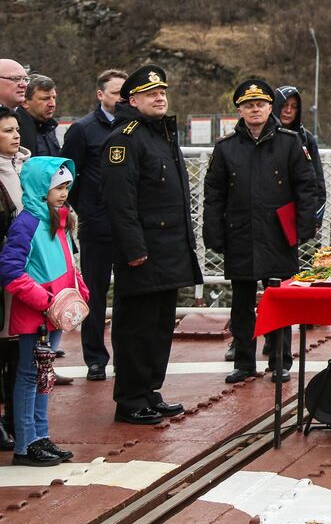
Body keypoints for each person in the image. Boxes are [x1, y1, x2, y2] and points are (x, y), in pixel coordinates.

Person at [102, 65, 202, 425]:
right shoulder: (125, 139)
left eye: (162, 92)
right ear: (132, 100)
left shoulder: (160, 135)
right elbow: (120, 201)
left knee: (160, 325)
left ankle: (149, 390)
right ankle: (130, 399)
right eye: (150, 94)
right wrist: (134, 250)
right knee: (136, 328)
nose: (160, 98)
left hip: (169, 249)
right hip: (143, 252)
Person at [203, 79, 321, 384]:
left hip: (277, 233)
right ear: (240, 110)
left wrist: (304, 226)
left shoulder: (290, 142)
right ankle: (244, 361)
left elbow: (307, 187)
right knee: (241, 303)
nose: (255, 110)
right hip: (240, 233)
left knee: (279, 299)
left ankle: (280, 360)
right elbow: (214, 194)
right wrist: (213, 232)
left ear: (271, 108)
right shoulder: (226, 149)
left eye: (260, 104)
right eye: (248, 105)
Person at [0, 157, 86, 466]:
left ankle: (40, 435)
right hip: (39, 312)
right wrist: (45, 301)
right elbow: (10, 271)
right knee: (28, 375)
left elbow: (65, 263)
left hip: (54, 311)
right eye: (58, 187)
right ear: (41, 188)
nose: (64, 193)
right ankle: (26, 443)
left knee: (42, 376)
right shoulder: (27, 222)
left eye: (66, 187)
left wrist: (79, 289)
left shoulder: (57, 218)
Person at [60, 69, 127, 381]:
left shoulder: (134, 128)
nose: (121, 98)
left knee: (130, 294)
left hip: (129, 227)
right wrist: (87, 209)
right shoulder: (82, 130)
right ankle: (95, 359)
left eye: (125, 92)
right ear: (101, 95)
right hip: (96, 224)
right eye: (115, 92)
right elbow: (69, 176)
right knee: (95, 293)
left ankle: (127, 355)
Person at [0, 106, 29, 451]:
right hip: (6, 265)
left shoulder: (26, 165)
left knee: (17, 350)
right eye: (7, 130)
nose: (16, 135)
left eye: (16, 129)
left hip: (25, 269)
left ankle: (14, 418)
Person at [273, 86, 326, 220]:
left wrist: (315, 218)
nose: (288, 110)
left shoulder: (306, 138)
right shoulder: (264, 137)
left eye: (294, 106)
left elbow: (317, 181)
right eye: (284, 105)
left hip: (295, 215)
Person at [18, 76, 59, 158]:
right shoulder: (17, 129)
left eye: (54, 98)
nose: (52, 104)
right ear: (25, 102)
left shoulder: (49, 127)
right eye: (45, 99)